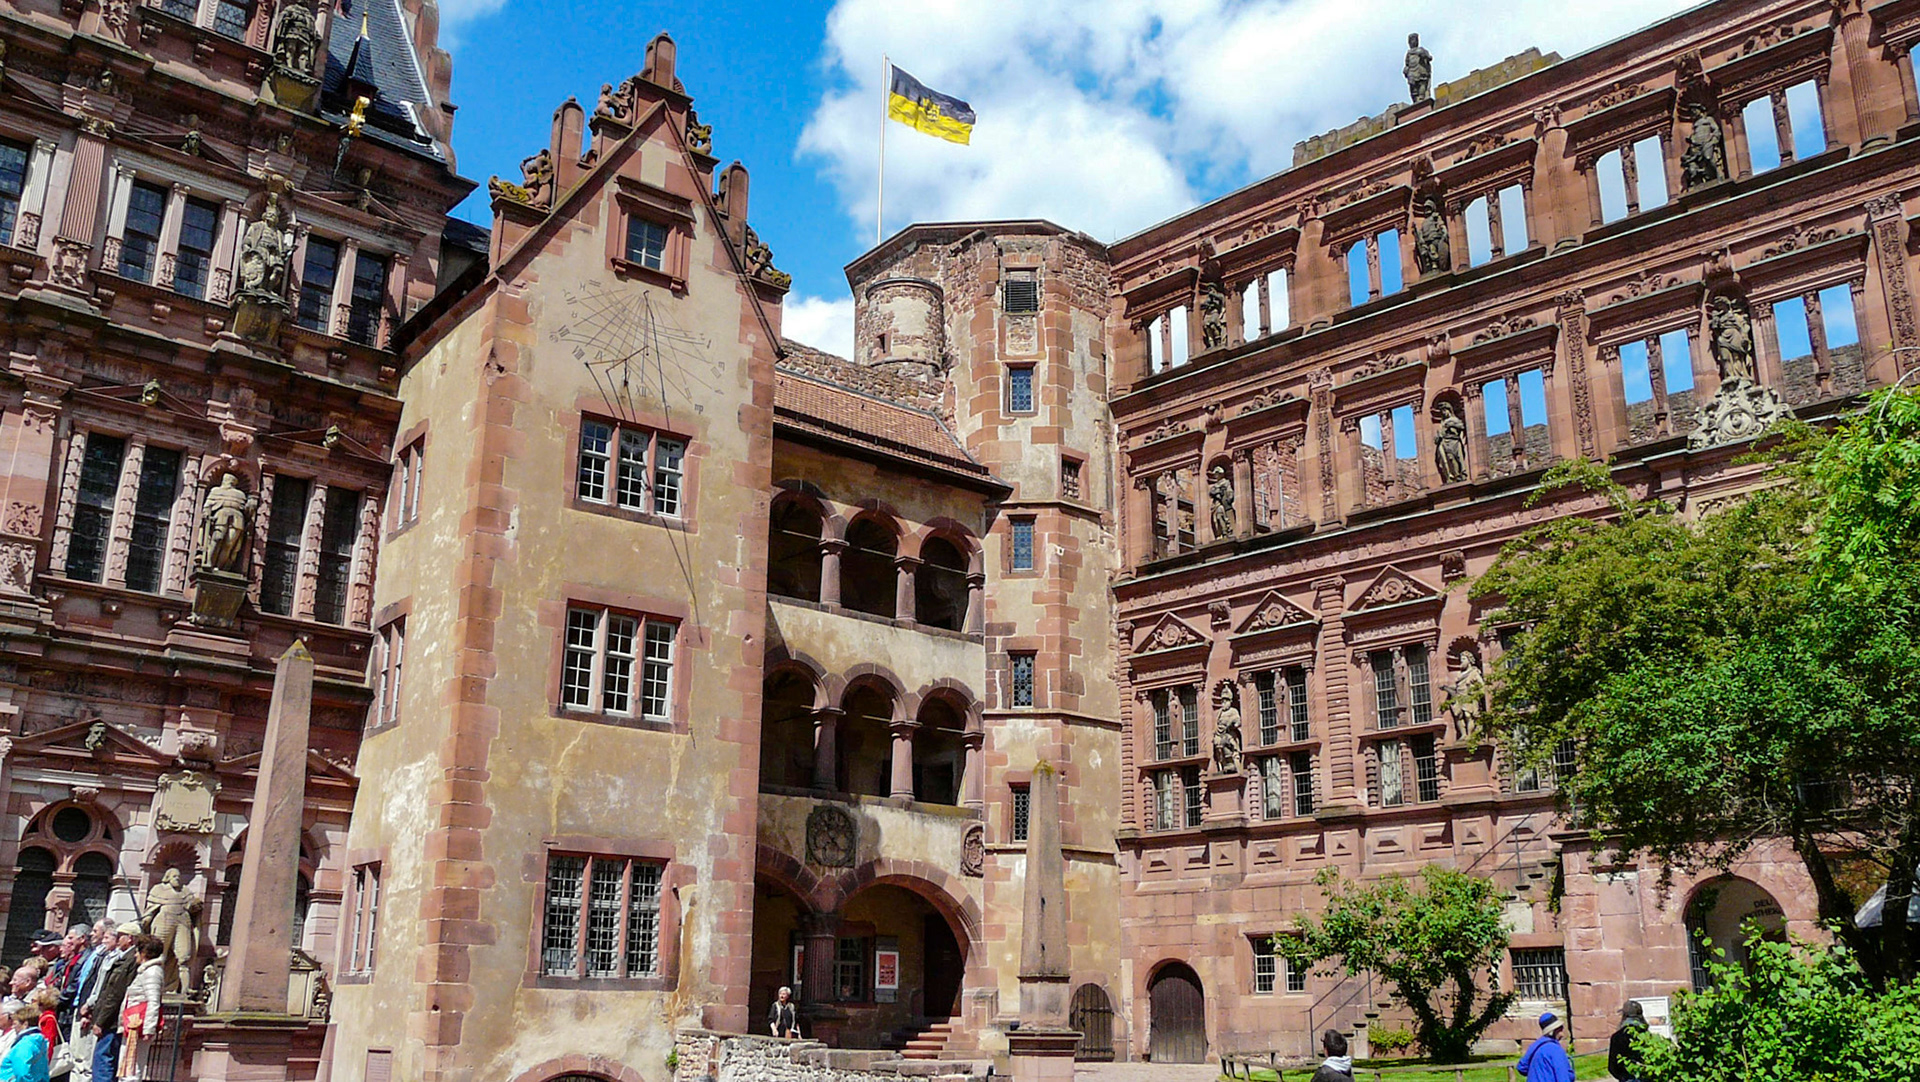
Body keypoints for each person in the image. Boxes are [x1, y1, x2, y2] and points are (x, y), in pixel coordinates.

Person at [81, 925, 138, 1082]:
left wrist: (101, 1021)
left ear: (130, 938)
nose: (117, 939)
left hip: (111, 1020)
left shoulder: (131, 960)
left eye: (120, 936)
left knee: (103, 1059)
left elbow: (115, 994)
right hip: (107, 1016)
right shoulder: (122, 957)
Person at [117, 939, 163, 1082]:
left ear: (144, 953)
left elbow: (153, 1001)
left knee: (133, 1068)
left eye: (137, 951)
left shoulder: (152, 972)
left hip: (139, 1025)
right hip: (133, 1024)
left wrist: (149, 1028)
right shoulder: (146, 971)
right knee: (127, 1066)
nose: (135, 954)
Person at [1517, 1012, 1575, 1082]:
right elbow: (1562, 1077)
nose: (1562, 1031)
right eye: (1560, 1028)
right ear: (1553, 1031)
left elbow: (1522, 1067)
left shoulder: (1535, 1047)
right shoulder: (1555, 1050)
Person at [0, 1001, 47, 1082]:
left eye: (15, 1023)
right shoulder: (39, 1041)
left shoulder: (25, 1044)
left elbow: (22, 1072)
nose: (13, 1027)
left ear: (25, 1024)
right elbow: (44, 1071)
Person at [1609, 1000, 1648, 1082]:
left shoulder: (1617, 1037)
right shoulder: (1647, 1035)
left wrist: (1623, 1077)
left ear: (1624, 1015)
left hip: (1627, 1078)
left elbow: (1612, 1067)